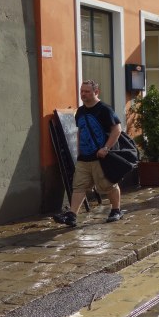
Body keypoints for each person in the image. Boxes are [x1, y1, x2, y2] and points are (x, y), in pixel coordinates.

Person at [53, 80, 124, 227]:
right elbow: (81, 131)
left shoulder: (104, 109)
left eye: (87, 91)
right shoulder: (80, 111)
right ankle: (72, 215)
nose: (83, 94)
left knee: (108, 185)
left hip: (101, 156)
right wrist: (78, 151)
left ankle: (116, 210)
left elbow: (117, 130)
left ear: (96, 92)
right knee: (78, 186)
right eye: (81, 91)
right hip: (84, 158)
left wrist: (106, 148)